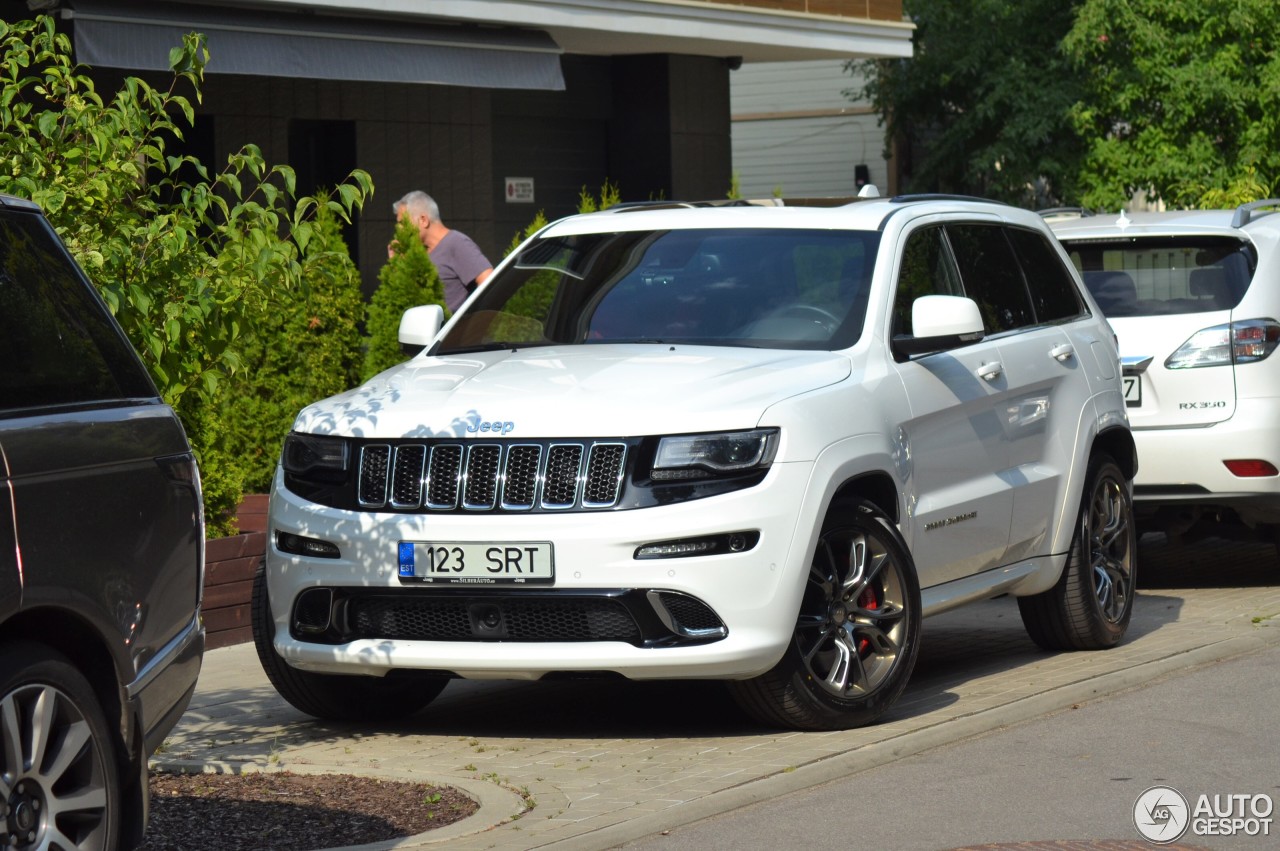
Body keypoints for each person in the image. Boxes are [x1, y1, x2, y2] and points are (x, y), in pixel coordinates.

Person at [391, 191, 493, 312]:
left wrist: (471, 323)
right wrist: (397, 263)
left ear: (423, 220)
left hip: (456, 330)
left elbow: (489, 282)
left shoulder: (456, 243)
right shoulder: (419, 252)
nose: (399, 228)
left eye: (402, 223)